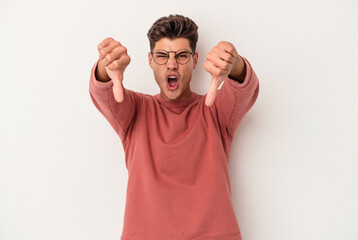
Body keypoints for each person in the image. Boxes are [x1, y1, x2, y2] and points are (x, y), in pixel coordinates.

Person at [89, 14, 259, 240]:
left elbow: (244, 89)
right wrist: (104, 67)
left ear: (194, 60)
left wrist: (234, 63)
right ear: (150, 60)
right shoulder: (136, 110)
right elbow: (104, 93)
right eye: (161, 55)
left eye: (181, 56)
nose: (171, 63)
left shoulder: (216, 109)